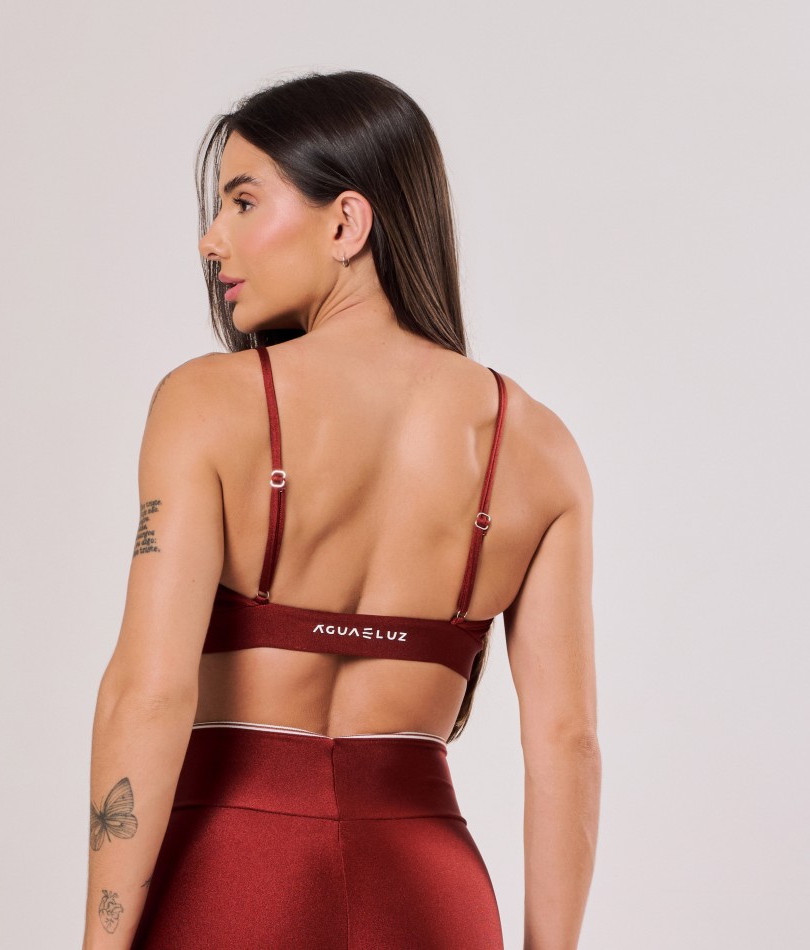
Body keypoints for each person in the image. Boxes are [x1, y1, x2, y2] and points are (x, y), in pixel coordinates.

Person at [81, 70, 600, 950]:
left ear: (346, 224)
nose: (211, 240)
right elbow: (567, 741)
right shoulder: (540, 449)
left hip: (232, 879)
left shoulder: (207, 404)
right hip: (431, 893)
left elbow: (150, 692)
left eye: (243, 202)